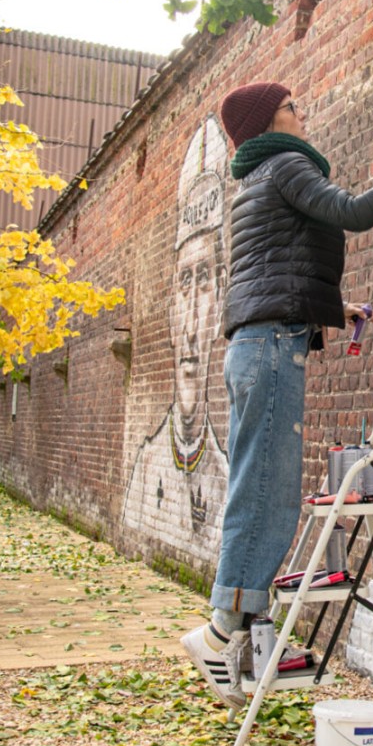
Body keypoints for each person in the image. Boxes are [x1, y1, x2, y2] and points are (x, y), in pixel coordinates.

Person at [181, 78, 373, 706]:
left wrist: (335, 305)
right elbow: (355, 213)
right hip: (271, 350)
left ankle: (245, 639)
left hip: (258, 346)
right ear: (269, 121)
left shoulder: (255, 183)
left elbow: (271, 275)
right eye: (292, 106)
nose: (302, 112)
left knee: (257, 488)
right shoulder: (286, 166)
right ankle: (223, 627)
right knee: (267, 494)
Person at [122, 118, 229, 566]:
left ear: (223, 298)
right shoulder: (145, 472)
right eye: (184, 283)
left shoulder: (227, 481)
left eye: (203, 281)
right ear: (167, 313)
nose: (189, 329)